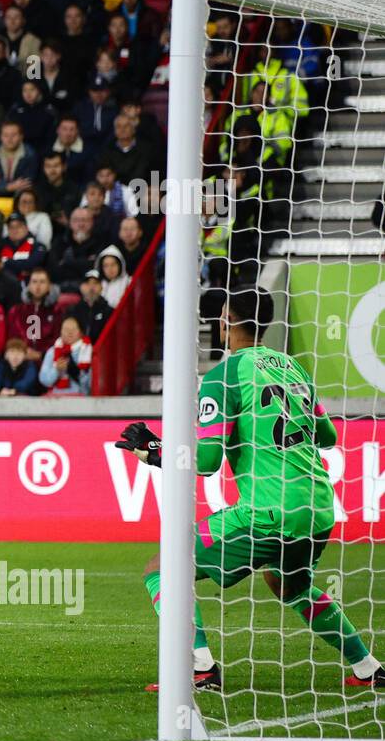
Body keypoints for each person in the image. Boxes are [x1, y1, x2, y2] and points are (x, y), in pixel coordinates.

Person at [118, 288, 385, 692]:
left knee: (163, 568)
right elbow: (328, 436)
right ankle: (368, 667)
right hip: (317, 506)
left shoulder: (222, 376)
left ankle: (200, 669)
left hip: (268, 510)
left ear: (226, 321)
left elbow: (206, 462)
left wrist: (157, 451)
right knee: (288, 585)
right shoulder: (294, 368)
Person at [39, 315, 92, 395]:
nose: (70, 333)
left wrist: (75, 371)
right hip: (56, 398)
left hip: (80, 398)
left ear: (81, 332)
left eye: (73, 329)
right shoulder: (52, 351)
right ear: (61, 332)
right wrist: (56, 370)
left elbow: (91, 385)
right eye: (66, 329)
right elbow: (44, 380)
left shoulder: (87, 351)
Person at [68, 269, 112, 343]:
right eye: (87, 283)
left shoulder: (109, 311)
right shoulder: (72, 311)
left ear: (101, 287)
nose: (91, 287)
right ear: (81, 287)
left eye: (95, 283)